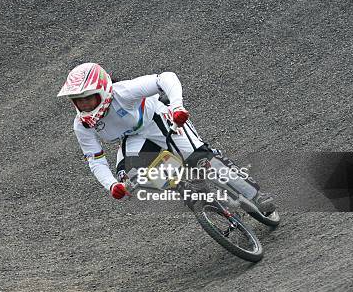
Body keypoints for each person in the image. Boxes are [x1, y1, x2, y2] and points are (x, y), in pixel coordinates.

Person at [57, 62, 275, 214]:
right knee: (130, 178)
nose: (83, 105)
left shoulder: (123, 92)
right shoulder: (81, 125)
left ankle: (255, 195)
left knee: (199, 158)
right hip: (133, 138)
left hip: (159, 119)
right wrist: (112, 185)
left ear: (103, 90)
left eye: (88, 99)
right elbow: (95, 161)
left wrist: (177, 106)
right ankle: (186, 187)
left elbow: (165, 78)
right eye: (78, 101)